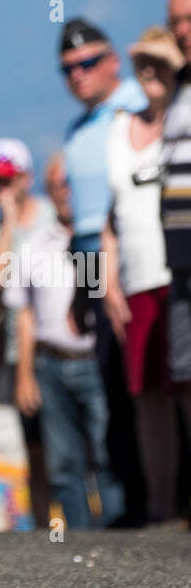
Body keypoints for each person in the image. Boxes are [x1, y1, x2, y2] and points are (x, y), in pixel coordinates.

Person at [0, 141, 123, 528]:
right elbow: (23, 313)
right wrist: (26, 374)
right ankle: (77, 541)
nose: (66, 192)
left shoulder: (99, 243)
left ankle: (116, 537)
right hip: (50, 363)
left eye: (72, 184)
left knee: (105, 452)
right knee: (62, 463)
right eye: (58, 185)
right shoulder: (35, 245)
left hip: (94, 361)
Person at [59, 17, 146, 524]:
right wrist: (79, 287)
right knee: (109, 386)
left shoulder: (134, 105)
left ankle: (154, 501)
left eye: (89, 62)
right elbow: (80, 220)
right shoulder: (76, 130)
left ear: (113, 61)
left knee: (141, 381)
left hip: (127, 257)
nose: (78, 74)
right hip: (88, 261)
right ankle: (131, 506)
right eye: (68, 68)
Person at [102, 26, 185, 522]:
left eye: (159, 61)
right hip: (135, 282)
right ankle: (161, 507)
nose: (150, 72)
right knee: (148, 399)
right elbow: (111, 218)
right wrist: (108, 282)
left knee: (186, 390)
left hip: (177, 272)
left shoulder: (183, 120)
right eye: (141, 63)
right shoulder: (118, 129)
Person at [0, 140, 53, 528]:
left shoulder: (52, 219)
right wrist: (8, 219)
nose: (1, 189)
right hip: (12, 357)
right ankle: (44, 534)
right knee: (35, 452)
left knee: (69, 452)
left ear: (28, 178)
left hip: (54, 351)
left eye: (8, 180)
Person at [161, 0, 191, 442]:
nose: (182, 31)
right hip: (179, 258)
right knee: (185, 375)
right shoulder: (178, 89)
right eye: (175, 24)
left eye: (189, 19)